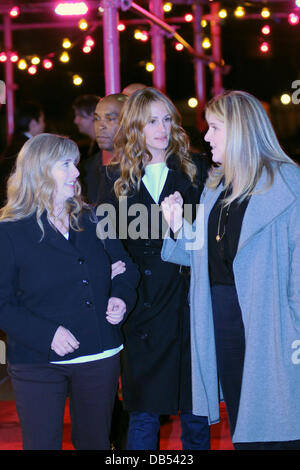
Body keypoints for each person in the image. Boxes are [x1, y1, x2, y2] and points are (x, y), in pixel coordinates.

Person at [161, 90, 300, 450]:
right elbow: (212, 257)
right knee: (244, 416)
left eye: (215, 128)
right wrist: (178, 227)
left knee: (280, 423)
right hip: (223, 319)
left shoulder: (287, 182)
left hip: (274, 324)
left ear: (240, 130)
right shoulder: (216, 186)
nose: (206, 137)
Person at [0, 133, 139, 450]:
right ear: (40, 170)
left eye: (75, 164)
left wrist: (120, 296)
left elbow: (126, 267)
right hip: (37, 360)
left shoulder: (94, 218)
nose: (77, 173)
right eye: (66, 164)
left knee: (94, 443)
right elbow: (2, 303)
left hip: (99, 352)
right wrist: (46, 334)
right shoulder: (8, 231)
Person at [97, 87, 210, 450]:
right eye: (151, 121)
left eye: (166, 119)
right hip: (140, 308)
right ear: (134, 127)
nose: (162, 128)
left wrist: (180, 227)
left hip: (187, 305)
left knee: (196, 412)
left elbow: (209, 244)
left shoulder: (197, 170)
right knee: (142, 413)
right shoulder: (113, 177)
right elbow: (107, 245)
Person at [0, 101, 45, 205]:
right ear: (33, 123)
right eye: (42, 120)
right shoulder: (29, 148)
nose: (44, 124)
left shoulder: (17, 143)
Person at [92, 93, 128, 204]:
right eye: (96, 118)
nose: (100, 126)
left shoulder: (148, 169)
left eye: (110, 119)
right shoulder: (90, 169)